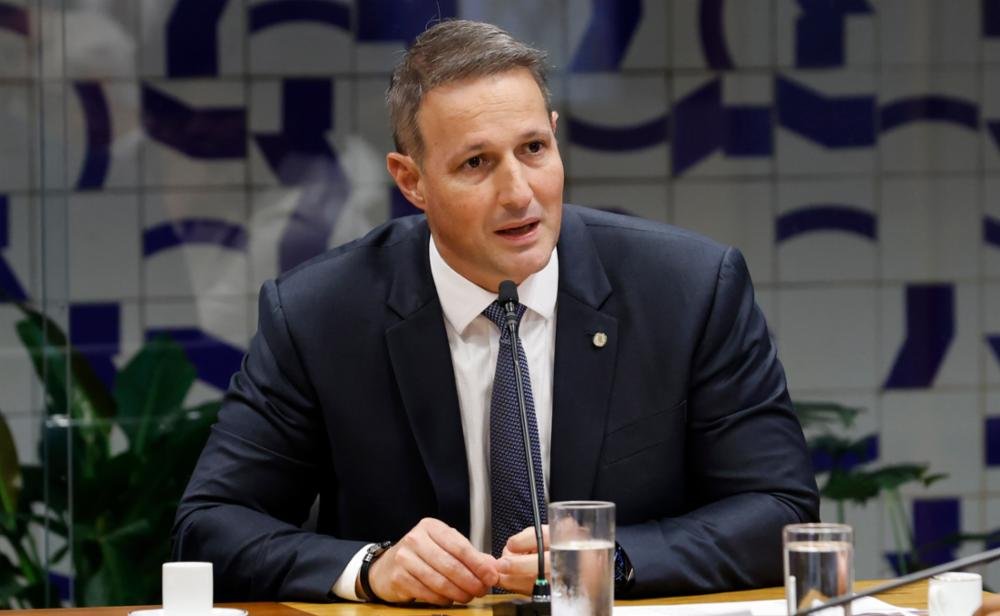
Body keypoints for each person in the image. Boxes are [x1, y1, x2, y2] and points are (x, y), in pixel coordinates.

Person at [172, 19, 819, 605]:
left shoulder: (688, 290)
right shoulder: (321, 316)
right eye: (476, 163)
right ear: (411, 180)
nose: (518, 193)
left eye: (533, 149)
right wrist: (369, 568)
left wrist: (614, 560)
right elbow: (210, 526)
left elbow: (781, 510)